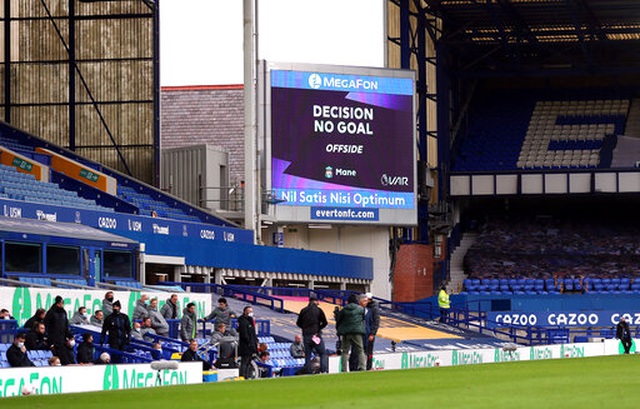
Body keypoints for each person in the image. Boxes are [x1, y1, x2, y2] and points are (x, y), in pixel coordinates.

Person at [296, 294, 329, 374]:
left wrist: (304, 328)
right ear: (316, 301)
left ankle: (308, 371)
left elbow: (298, 323)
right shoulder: (318, 310)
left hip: (306, 335)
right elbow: (325, 322)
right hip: (315, 335)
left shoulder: (303, 310)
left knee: (308, 355)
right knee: (322, 353)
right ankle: (323, 370)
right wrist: (318, 328)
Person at [335, 293, 365, 372]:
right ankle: (362, 367)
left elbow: (339, 320)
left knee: (345, 351)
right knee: (360, 350)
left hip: (346, 332)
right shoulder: (360, 309)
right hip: (357, 331)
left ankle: (344, 369)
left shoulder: (344, 309)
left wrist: (339, 330)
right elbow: (363, 318)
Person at [350, 294, 375, 371]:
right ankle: (353, 368)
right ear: (360, 301)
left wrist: (372, 333)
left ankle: (362, 367)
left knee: (364, 351)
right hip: (357, 333)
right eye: (364, 301)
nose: (366, 302)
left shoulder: (368, 311)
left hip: (366, 334)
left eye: (367, 301)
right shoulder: (355, 310)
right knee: (355, 351)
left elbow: (371, 323)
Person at [237, 306, 258, 379]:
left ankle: (246, 375)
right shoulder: (243, 321)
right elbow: (244, 334)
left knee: (248, 361)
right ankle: (242, 375)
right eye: (250, 311)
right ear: (245, 312)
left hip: (251, 345)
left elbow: (253, 333)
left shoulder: (250, 320)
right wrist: (249, 343)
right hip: (245, 346)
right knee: (244, 361)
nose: (251, 313)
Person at [364, 292, 381, 370]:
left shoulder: (374, 308)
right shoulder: (365, 307)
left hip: (370, 332)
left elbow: (376, 322)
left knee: (369, 350)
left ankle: (369, 366)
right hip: (365, 332)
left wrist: (373, 333)